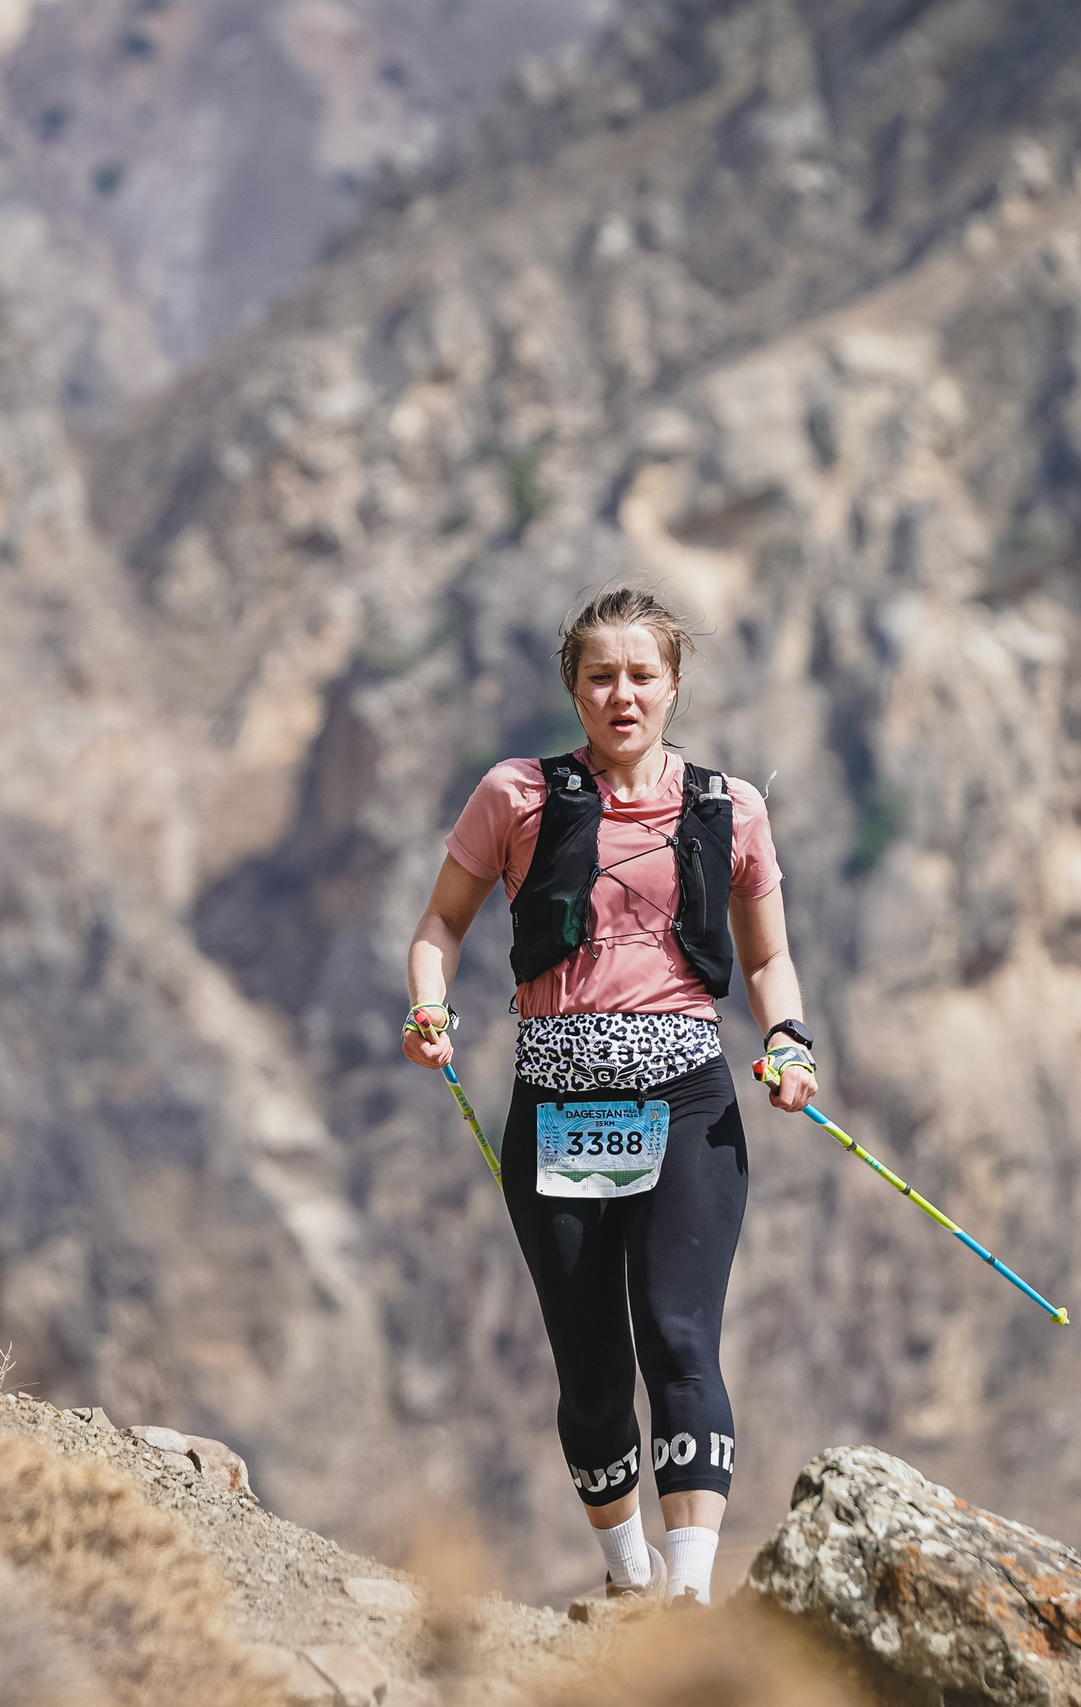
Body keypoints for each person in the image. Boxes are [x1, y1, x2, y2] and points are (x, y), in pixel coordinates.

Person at [401, 586, 817, 1609]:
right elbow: (438, 928)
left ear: (673, 685)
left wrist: (788, 1041)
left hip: (686, 1105)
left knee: (678, 1336)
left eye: (641, 675)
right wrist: (428, 1008)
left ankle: (686, 1603)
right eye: (600, 675)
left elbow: (768, 959)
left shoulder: (731, 809)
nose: (621, 694)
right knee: (591, 1367)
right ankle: (627, 1582)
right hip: (562, 1112)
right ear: (572, 688)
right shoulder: (515, 796)